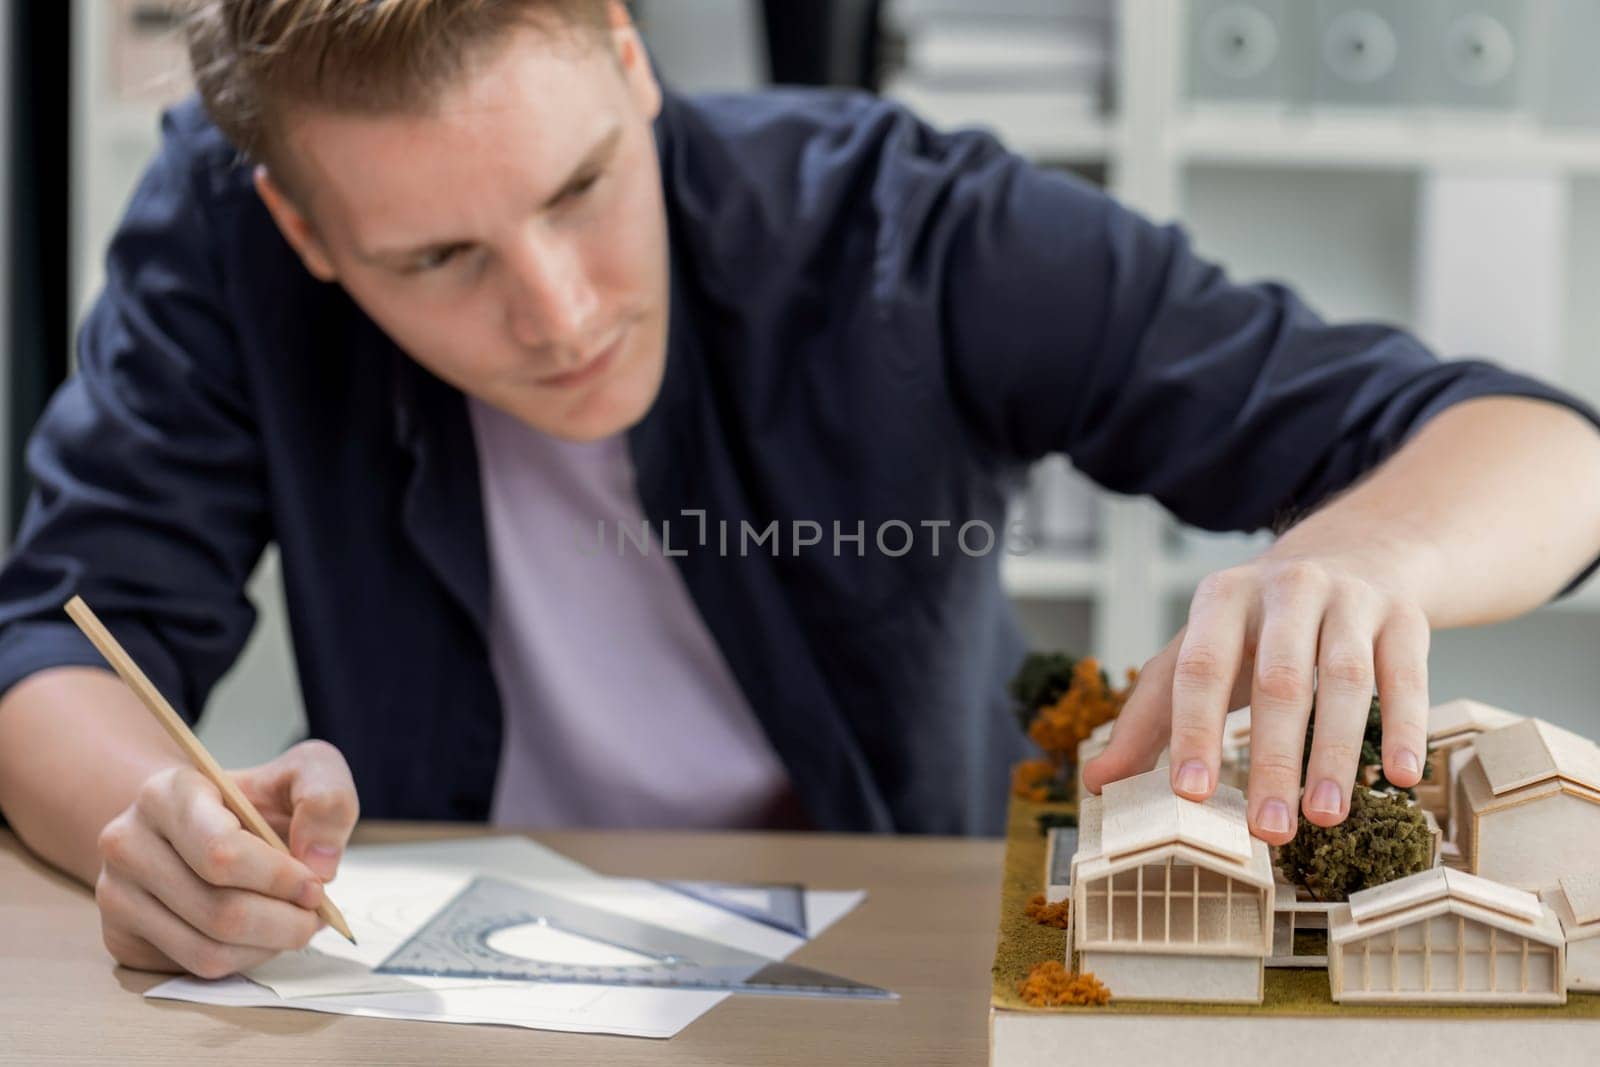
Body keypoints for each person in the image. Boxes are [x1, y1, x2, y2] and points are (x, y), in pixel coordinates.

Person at [0, 0, 1597, 980]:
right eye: (436, 259)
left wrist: (1369, 551)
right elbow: (60, 638)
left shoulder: (904, 228)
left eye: (578, 188)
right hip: (433, 1000)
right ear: (302, 229)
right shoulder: (222, 238)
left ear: (626, 55)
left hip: (890, 981)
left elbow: (1545, 448)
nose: (558, 312)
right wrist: (152, 827)